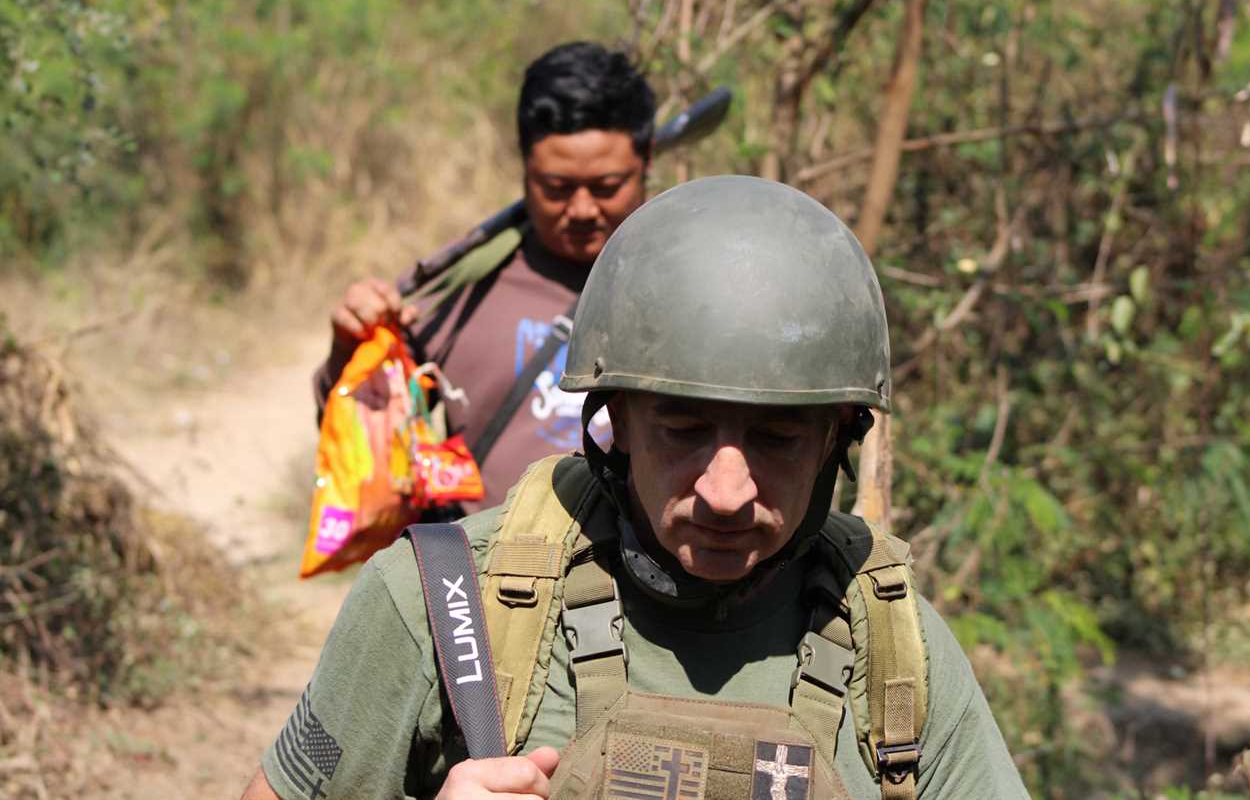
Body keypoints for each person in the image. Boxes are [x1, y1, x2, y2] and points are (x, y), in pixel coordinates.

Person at [248, 176, 1029, 799]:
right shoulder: (442, 603)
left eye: (779, 440)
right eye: (683, 431)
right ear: (613, 419)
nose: (727, 492)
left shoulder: (894, 646)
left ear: (837, 440)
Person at [313, 41, 655, 512]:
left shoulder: (683, 285)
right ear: (523, 169)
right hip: (480, 578)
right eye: (555, 188)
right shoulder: (463, 292)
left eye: (606, 187)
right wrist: (349, 346)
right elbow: (355, 431)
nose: (581, 210)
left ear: (647, 162)